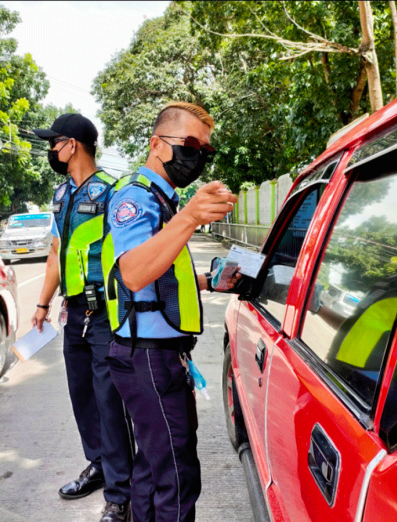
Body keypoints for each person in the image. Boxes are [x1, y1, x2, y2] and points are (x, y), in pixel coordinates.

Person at [101, 101, 238, 522]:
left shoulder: (164, 201)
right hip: (148, 356)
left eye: (206, 150)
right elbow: (135, 273)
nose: (198, 155)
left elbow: (162, 271)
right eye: (191, 144)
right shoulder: (135, 198)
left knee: (154, 465)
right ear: (157, 144)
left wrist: (208, 281)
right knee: (176, 476)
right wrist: (190, 219)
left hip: (155, 353)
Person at [32, 113, 133, 522]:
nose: (51, 150)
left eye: (54, 143)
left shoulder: (112, 193)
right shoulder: (60, 195)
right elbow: (56, 252)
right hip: (74, 313)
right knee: (82, 397)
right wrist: (42, 304)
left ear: (72, 144)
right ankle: (99, 464)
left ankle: (120, 493)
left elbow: (129, 255)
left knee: (110, 402)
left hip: (105, 314)